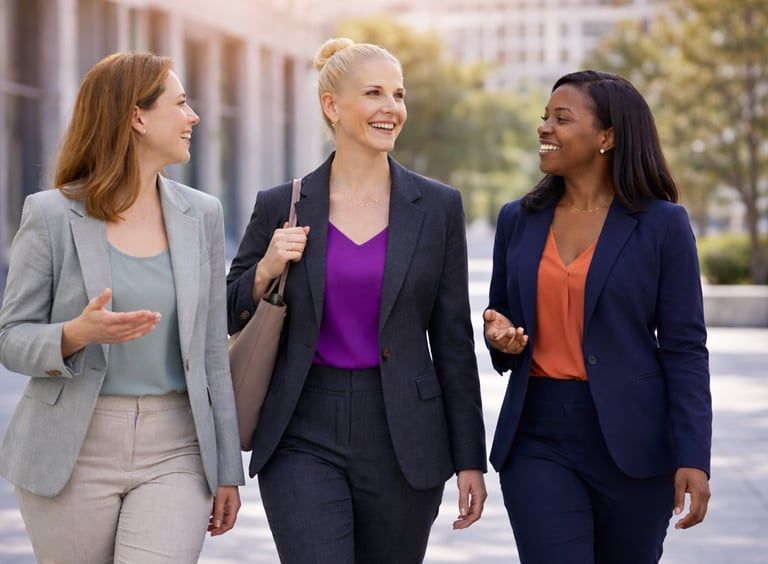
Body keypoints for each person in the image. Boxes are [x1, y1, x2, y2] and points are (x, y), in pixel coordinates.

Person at [227, 37, 487, 563]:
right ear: (332, 106)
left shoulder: (437, 208)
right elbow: (226, 309)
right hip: (302, 425)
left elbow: (454, 341)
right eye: (374, 93)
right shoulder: (282, 205)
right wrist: (266, 269)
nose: (392, 108)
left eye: (398, 94)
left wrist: (469, 460)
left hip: (404, 434)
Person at [0, 52, 244, 563]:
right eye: (180, 104)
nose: (193, 116)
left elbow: (212, 354)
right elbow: (11, 337)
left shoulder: (202, 214)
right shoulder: (49, 214)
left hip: (176, 445)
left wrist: (226, 468)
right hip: (72, 447)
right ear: (137, 117)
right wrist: (74, 334)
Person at [483, 69, 712, 563]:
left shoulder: (662, 225)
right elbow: (499, 312)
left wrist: (694, 455)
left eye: (561, 119)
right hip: (537, 432)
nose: (545, 128)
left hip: (633, 443)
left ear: (607, 136)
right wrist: (500, 337)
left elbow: (684, 347)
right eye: (545, 117)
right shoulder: (517, 219)